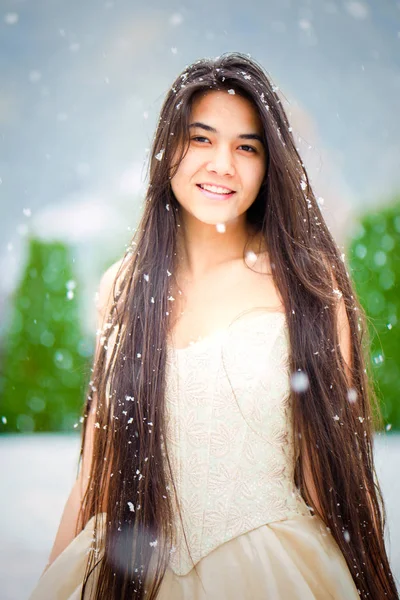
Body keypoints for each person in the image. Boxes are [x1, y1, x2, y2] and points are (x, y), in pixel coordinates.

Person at [29, 52, 398, 600]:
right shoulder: (124, 287)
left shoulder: (307, 286)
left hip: (271, 569)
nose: (222, 163)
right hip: (132, 570)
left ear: (270, 164)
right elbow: (96, 476)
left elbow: (334, 477)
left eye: (246, 147)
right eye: (202, 139)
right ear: (168, 151)